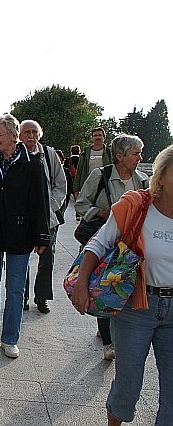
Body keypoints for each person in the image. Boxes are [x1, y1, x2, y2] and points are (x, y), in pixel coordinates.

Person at [71, 145, 173, 426]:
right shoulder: (136, 205)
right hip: (136, 307)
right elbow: (97, 244)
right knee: (129, 383)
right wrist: (81, 285)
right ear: (161, 177)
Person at [0, 114, 50, 359]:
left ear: (13, 136)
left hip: (19, 234)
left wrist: (41, 237)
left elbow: (40, 202)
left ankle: (10, 337)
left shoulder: (33, 164)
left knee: (16, 288)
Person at [74, 133, 149, 360]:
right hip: (106, 246)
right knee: (105, 289)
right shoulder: (101, 176)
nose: (139, 157)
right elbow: (81, 204)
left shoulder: (143, 180)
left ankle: (117, 333)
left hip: (133, 250)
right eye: (135, 154)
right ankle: (108, 342)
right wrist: (104, 213)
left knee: (124, 291)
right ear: (120, 156)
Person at [19, 120, 67, 314]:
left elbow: (60, 184)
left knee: (47, 258)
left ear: (39, 134)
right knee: (21, 258)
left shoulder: (49, 154)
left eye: (34, 132)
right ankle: (21, 296)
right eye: (26, 132)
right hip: (22, 218)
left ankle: (42, 297)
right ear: (19, 136)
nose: (31, 136)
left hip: (48, 218)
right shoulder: (16, 154)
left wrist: (50, 207)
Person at [72, 127, 112, 202]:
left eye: (99, 135)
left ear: (104, 137)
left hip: (105, 188)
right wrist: (76, 190)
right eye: (95, 136)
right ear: (92, 138)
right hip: (87, 188)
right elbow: (79, 172)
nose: (97, 137)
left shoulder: (109, 153)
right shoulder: (85, 153)